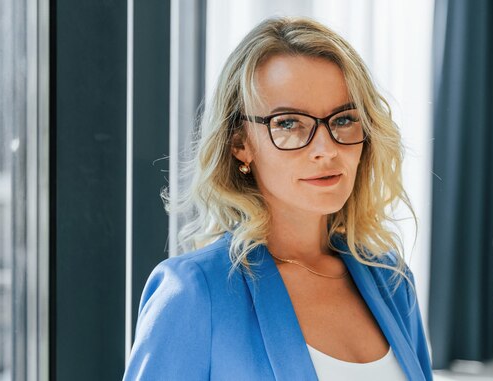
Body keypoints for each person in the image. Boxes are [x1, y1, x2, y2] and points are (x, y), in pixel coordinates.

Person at [123, 16, 433, 381]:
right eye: (288, 123)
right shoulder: (194, 291)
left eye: (344, 119)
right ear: (240, 144)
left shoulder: (391, 280)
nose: (326, 149)